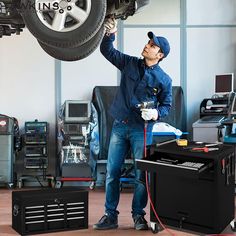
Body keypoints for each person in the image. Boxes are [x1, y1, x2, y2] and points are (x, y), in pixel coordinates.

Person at [93, 17, 172, 231]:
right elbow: (107, 51)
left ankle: (139, 216)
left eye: (153, 45)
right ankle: (110, 216)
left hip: (142, 130)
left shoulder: (164, 80)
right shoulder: (129, 63)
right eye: (148, 43)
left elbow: (167, 105)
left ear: (160, 55)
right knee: (112, 173)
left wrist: (156, 113)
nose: (147, 46)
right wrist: (110, 34)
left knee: (141, 175)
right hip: (120, 125)